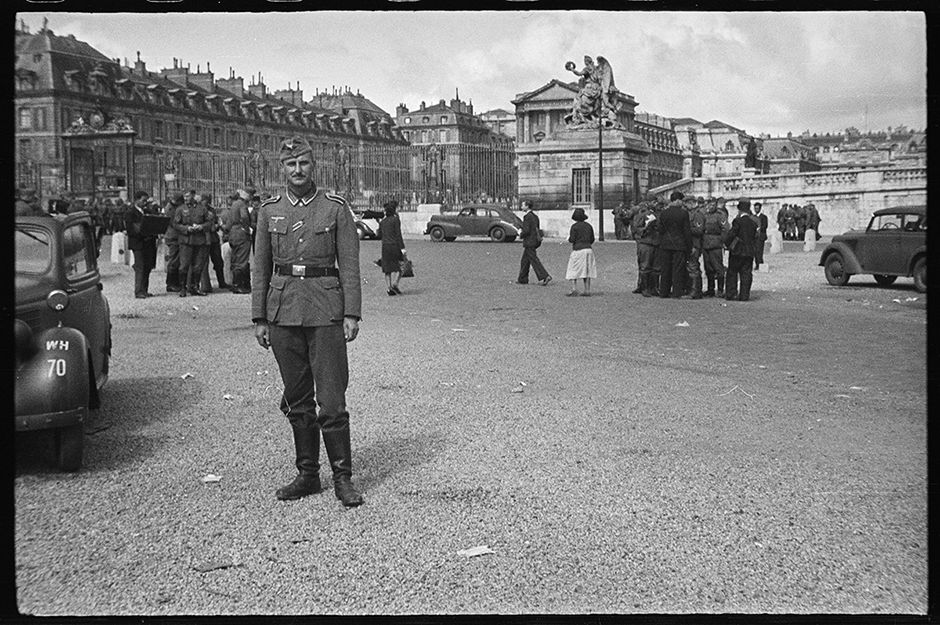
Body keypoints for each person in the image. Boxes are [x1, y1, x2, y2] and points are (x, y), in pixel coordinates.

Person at [252, 135, 363, 508]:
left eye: (303, 164)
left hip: (326, 310)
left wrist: (351, 312)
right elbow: (260, 267)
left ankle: (343, 478)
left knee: (331, 399)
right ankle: (308, 474)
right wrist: (260, 317)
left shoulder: (335, 208)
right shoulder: (268, 210)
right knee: (298, 399)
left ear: (314, 166)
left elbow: (349, 264)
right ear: (281, 169)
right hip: (283, 312)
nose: (297, 171)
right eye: (290, 165)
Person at [173, 189, 214, 297]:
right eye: (184, 197)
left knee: (198, 265)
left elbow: (210, 222)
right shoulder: (180, 209)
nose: (186, 199)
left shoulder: (202, 208)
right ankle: (183, 288)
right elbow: (176, 225)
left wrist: (202, 226)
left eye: (188, 196)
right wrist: (187, 229)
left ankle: (195, 286)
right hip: (186, 240)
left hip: (199, 240)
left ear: (193, 196)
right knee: (184, 265)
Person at [722, 198, 760, 301]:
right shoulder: (753, 223)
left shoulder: (737, 221)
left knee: (732, 272)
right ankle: (744, 295)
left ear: (739, 209)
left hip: (737, 251)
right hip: (749, 251)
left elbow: (732, 234)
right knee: (746, 273)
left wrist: (726, 243)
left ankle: (731, 293)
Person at [656, 191, 692, 298]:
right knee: (678, 269)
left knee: (665, 268)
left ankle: (664, 291)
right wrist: (689, 246)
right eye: (681, 200)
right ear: (677, 200)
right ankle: (677, 292)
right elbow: (687, 231)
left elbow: (660, 229)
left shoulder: (664, 213)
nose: (682, 203)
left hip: (665, 244)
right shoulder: (683, 213)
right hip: (679, 244)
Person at [125, 190, 158, 299]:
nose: (145, 203)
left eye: (146, 201)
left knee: (148, 266)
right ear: (137, 199)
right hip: (138, 243)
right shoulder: (130, 213)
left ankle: (144, 289)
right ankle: (138, 290)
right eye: (143, 201)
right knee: (140, 266)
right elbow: (130, 230)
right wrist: (142, 233)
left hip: (149, 243)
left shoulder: (148, 211)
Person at [198, 194, 229, 293]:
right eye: (205, 200)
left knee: (218, 261)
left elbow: (216, 221)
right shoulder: (198, 210)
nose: (207, 202)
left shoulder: (212, 210)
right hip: (203, 238)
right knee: (203, 262)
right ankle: (205, 285)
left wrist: (216, 226)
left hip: (213, 238)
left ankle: (221, 281)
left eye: (208, 200)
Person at [223, 190, 253, 293]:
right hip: (241, 233)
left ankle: (235, 283)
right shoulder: (242, 205)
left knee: (235, 258)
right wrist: (247, 229)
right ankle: (238, 285)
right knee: (242, 260)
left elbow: (228, 223)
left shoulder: (233, 206)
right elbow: (244, 217)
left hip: (233, 233)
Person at [517, 200, 551, 286]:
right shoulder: (535, 216)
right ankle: (522, 279)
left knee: (534, 260)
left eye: (523, 205)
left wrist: (521, 233)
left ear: (527, 206)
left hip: (529, 241)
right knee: (525, 260)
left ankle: (545, 276)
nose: (521, 207)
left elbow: (527, 230)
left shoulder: (527, 217)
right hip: (534, 240)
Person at [565, 207, 596, 296]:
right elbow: (592, 239)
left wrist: (570, 239)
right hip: (588, 249)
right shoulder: (589, 226)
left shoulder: (574, 227)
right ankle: (587, 290)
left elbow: (572, 239)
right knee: (587, 270)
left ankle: (574, 288)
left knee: (573, 269)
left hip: (578, 249)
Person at [378, 200, 406, 295]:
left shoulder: (383, 222)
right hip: (394, 246)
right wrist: (402, 248)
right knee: (401, 266)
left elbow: (379, 234)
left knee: (387, 269)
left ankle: (389, 288)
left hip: (385, 246)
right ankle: (395, 284)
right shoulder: (395, 220)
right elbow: (398, 235)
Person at [701, 198, 729, 297]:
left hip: (716, 244)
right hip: (705, 244)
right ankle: (710, 289)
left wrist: (722, 241)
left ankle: (720, 290)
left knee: (718, 268)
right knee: (708, 268)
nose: (711, 206)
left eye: (713, 205)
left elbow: (725, 229)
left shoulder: (720, 216)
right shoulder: (703, 215)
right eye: (709, 204)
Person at [685, 196, 706, 299]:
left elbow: (699, 230)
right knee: (690, 266)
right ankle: (692, 288)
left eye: (687, 203)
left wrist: (686, 229)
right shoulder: (690, 213)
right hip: (689, 243)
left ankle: (695, 290)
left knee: (693, 267)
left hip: (695, 243)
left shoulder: (698, 215)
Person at [163, 193, 184, 292]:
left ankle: (175, 282)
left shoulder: (173, 207)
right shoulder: (170, 209)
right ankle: (171, 283)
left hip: (176, 236)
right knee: (174, 260)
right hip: (173, 236)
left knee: (177, 260)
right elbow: (174, 223)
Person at [753, 201, 768, 270]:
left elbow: (765, 226)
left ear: (760, 209)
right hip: (755, 236)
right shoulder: (753, 217)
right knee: (755, 251)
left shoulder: (764, 217)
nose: (756, 210)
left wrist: (758, 228)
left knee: (760, 251)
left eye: (757, 208)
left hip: (761, 236)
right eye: (755, 208)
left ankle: (760, 263)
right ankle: (757, 264)